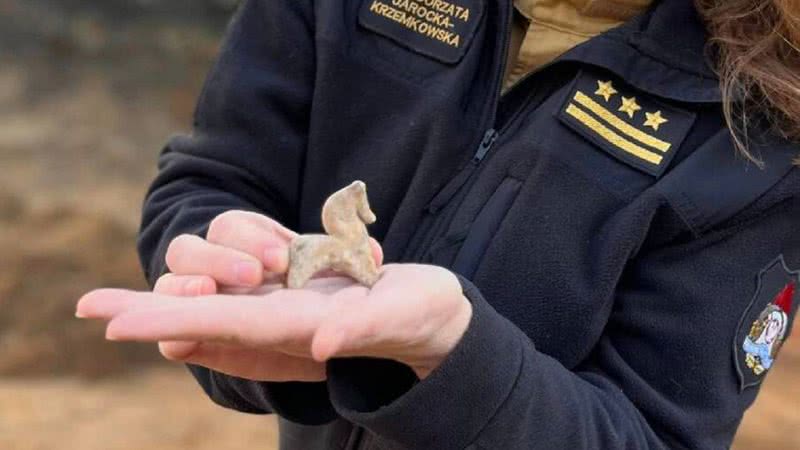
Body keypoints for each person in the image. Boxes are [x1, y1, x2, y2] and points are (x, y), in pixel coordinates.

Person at [76, 0, 800, 448]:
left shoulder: (765, 132)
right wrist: (230, 274)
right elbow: (211, 179)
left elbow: (654, 435)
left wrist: (452, 357)